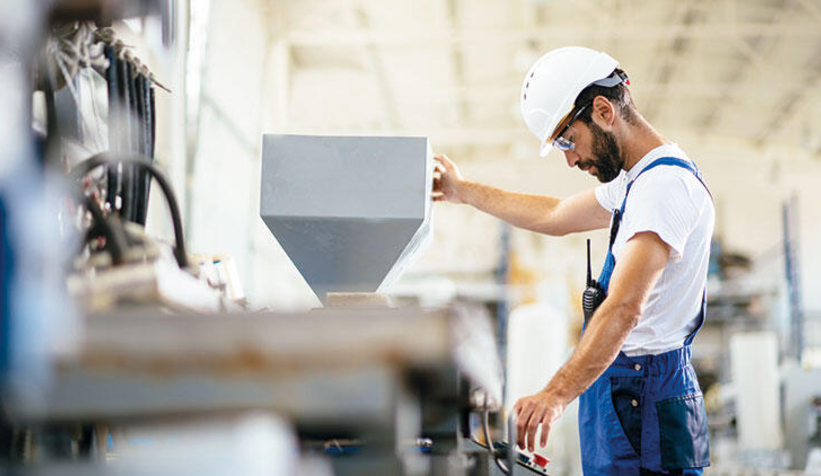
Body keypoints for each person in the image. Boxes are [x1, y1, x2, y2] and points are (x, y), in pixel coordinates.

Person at [432, 46, 714, 475]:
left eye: (568, 139)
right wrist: (462, 190)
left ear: (603, 111)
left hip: (645, 394)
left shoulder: (663, 187)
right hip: (627, 386)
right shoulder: (638, 181)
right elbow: (555, 214)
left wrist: (554, 395)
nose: (570, 158)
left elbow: (623, 308)